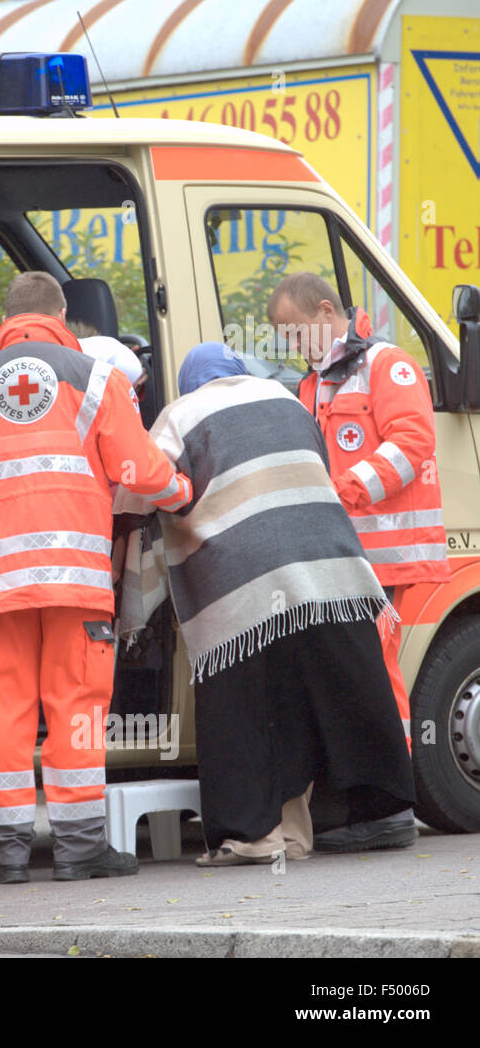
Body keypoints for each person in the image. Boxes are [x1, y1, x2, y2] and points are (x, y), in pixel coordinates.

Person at [0, 271, 192, 883]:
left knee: (7, 706)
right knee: (75, 705)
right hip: (75, 580)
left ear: (6, 322)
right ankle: (78, 849)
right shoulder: (94, 378)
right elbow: (139, 468)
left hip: (3, 584)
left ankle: (5, 854)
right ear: (63, 316)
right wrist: (182, 492)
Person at [115, 343, 416, 865]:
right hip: (333, 571)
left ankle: (253, 836)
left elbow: (143, 490)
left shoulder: (180, 413)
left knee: (245, 705)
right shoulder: (287, 399)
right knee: (328, 689)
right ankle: (373, 813)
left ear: (192, 383)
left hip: (243, 582)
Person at [268, 273, 446, 852]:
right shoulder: (314, 383)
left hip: (384, 557)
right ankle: (366, 802)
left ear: (326, 310)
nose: (294, 346)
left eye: (297, 332)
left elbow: (413, 442)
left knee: (375, 674)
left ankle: (388, 807)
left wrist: (347, 490)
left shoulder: (386, 365)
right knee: (359, 675)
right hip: (343, 557)